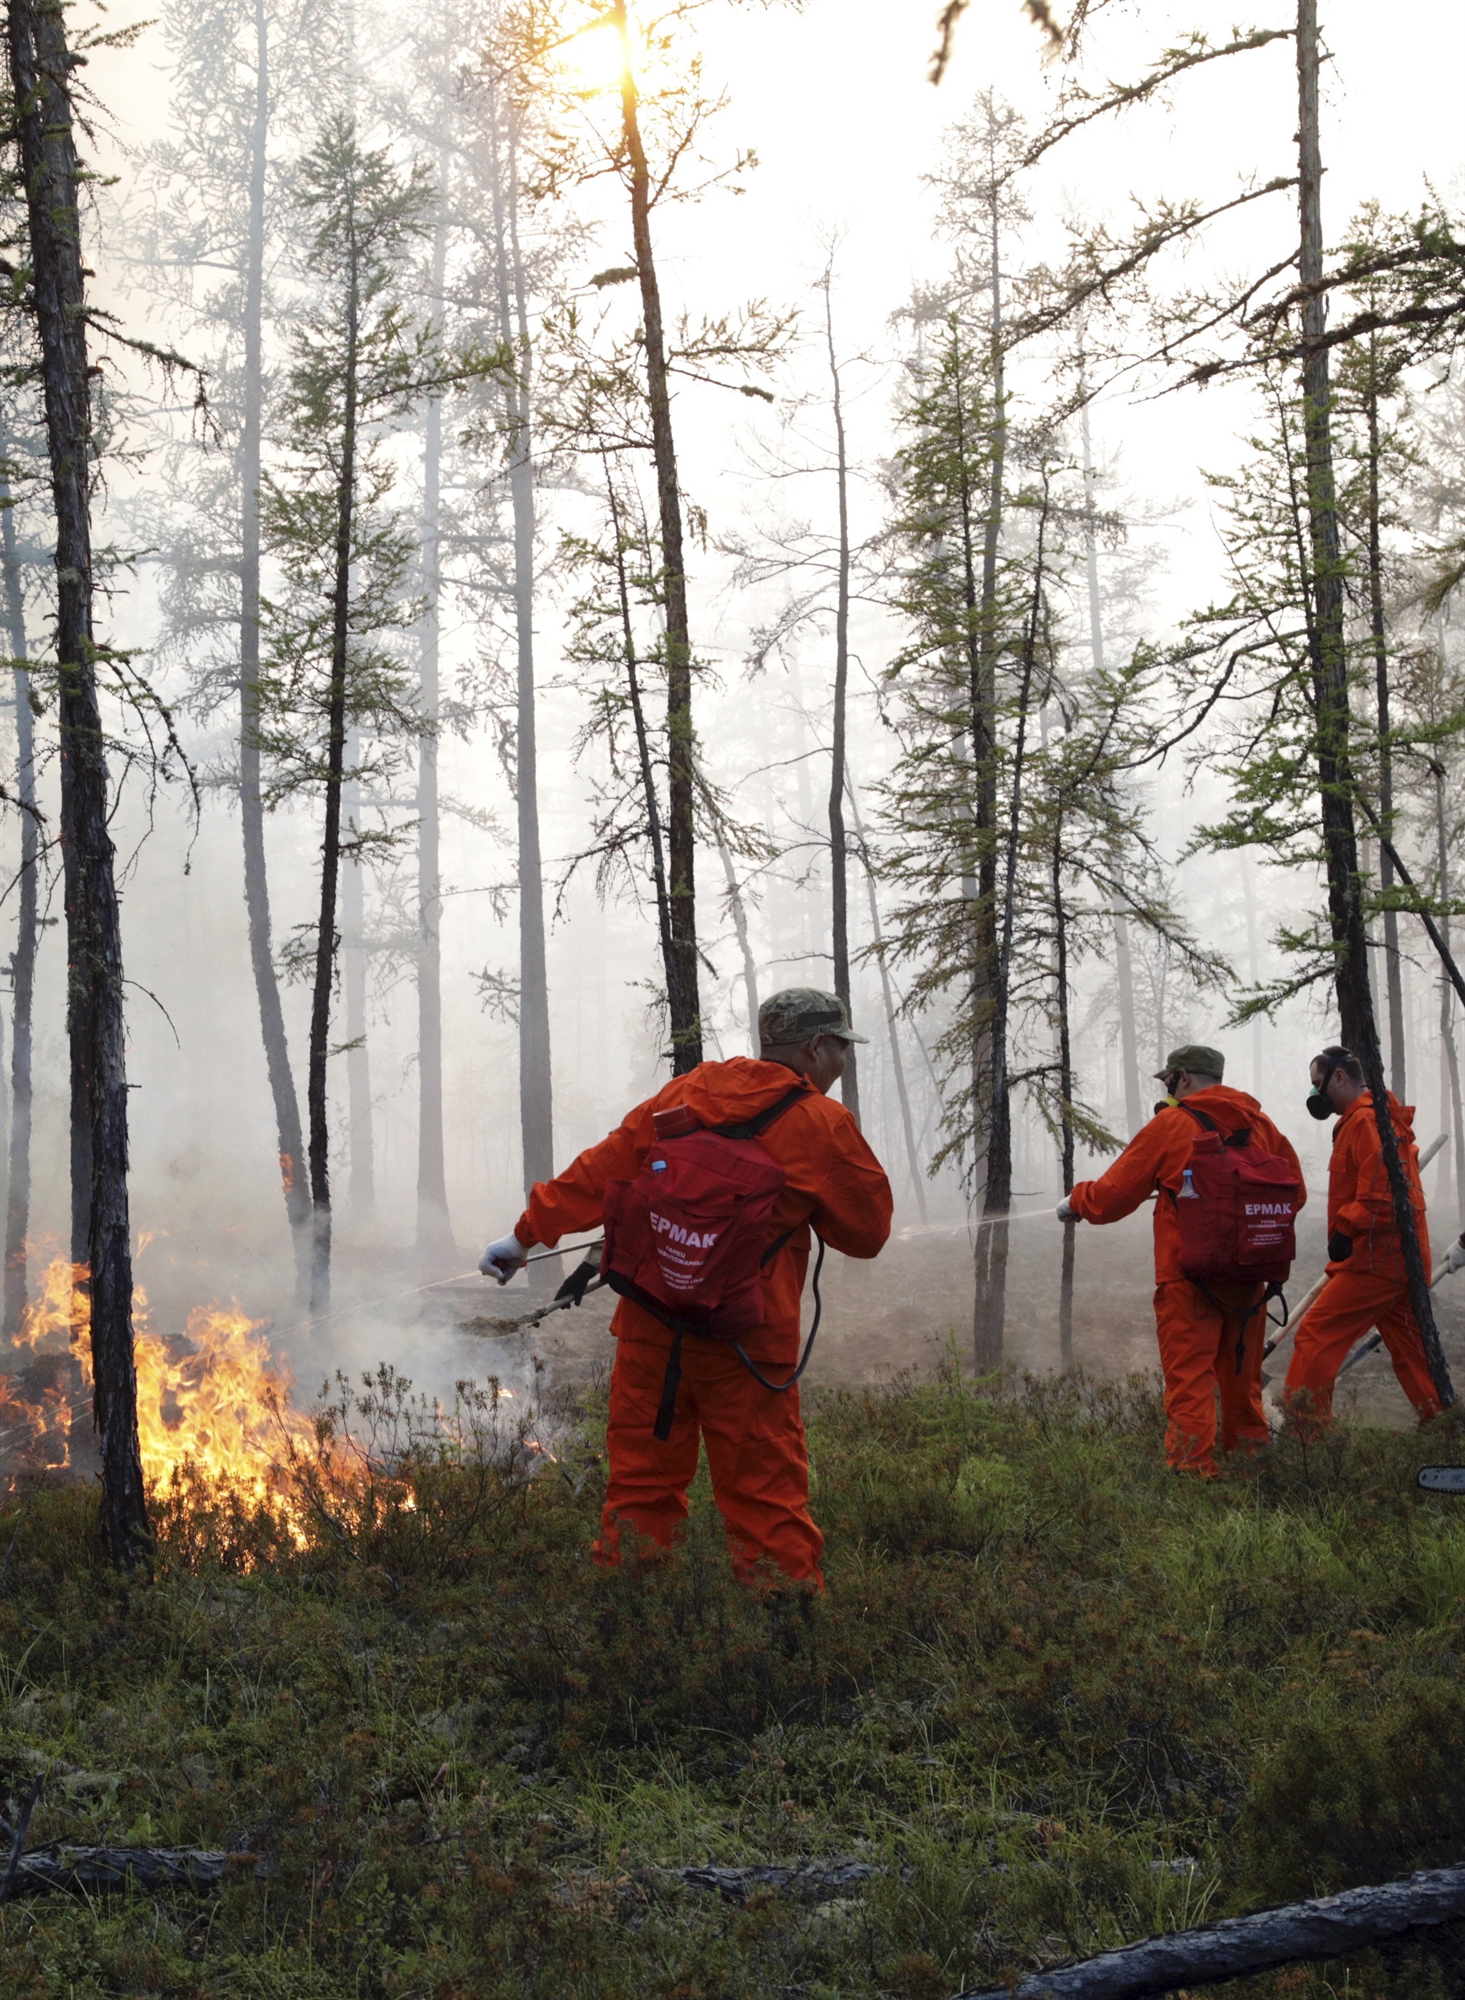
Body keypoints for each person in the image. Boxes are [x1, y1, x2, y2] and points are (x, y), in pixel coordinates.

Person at [479, 988, 893, 1586]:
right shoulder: (822, 1124)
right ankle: (787, 1643)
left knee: (640, 1489)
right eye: (840, 1050)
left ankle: (628, 1624)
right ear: (813, 1047)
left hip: (652, 1332)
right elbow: (868, 1233)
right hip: (747, 1347)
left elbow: (605, 1168)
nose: (843, 1063)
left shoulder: (688, 1092)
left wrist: (523, 1238)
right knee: (764, 1502)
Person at [1057, 1043, 1305, 1477]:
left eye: (1169, 1079)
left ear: (1182, 1078)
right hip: (1249, 1279)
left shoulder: (1173, 1124)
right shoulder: (1261, 1125)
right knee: (1243, 1382)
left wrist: (1077, 1200)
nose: (1169, 1087)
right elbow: (1295, 1192)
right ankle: (1252, 1469)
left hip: (1187, 1279)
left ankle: (1193, 1476)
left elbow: (1113, 1197)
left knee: (1189, 1380)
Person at [1282, 1045, 1441, 1431]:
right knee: (1412, 1352)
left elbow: (1383, 1194)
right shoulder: (1379, 1119)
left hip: (1376, 1258)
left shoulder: (1367, 1122)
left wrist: (1346, 1230)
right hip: (1402, 1257)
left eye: (1318, 1084)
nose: (1316, 1095)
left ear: (1340, 1077)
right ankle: (1445, 1428)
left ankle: (1306, 1438)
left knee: (1317, 1334)